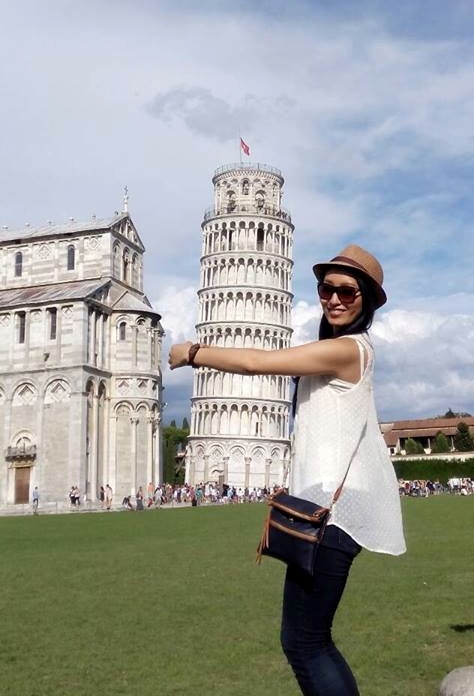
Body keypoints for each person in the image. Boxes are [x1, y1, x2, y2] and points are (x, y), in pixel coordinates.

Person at [168, 244, 406, 696]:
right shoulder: (340, 349)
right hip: (326, 512)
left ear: (368, 301)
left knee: (306, 642)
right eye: (326, 288)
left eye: (348, 292)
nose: (334, 299)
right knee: (304, 640)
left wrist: (192, 352)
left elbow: (258, 364)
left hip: (334, 518)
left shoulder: (348, 351)